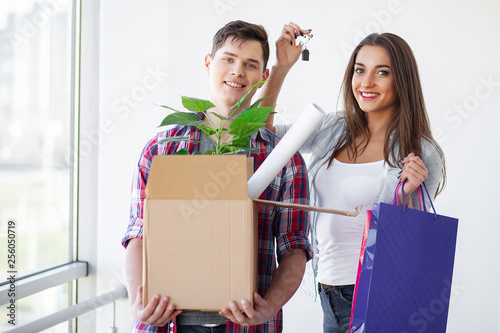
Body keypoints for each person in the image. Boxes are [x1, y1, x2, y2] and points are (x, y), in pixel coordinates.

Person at [121, 20, 312, 333]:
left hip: (246, 324)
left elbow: (294, 248)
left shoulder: (282, 159)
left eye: (250, 65)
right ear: (208, 63)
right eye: (228, 59)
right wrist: (137, 303)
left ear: (263, 76)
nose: (238, 71)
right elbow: (138, 235)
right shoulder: (161, 148)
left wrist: (270, 307)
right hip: (168, 322)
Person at [259, 22, 447, 333]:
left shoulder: (421, 151)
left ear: (403, 81)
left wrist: (404, 197)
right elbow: (264, 140)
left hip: (376, 295)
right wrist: (279, 69)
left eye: (382, 72)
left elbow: (413, 244)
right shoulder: (332, 128)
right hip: (327, 290)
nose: (366, 82)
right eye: (360, 70)